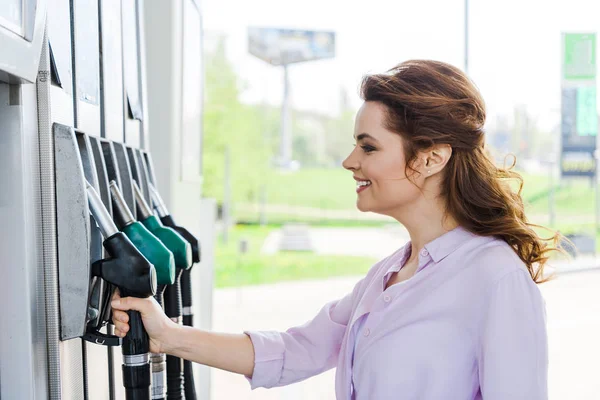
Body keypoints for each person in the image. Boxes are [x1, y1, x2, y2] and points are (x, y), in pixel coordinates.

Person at [111, 59, 559, 399]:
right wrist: (167, 334)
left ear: (430, 158)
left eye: (369, 146)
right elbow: (294, 351)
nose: (350, 161)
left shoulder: (495, 278)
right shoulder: (388, 275)